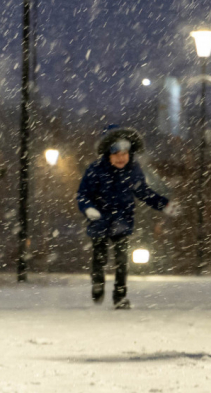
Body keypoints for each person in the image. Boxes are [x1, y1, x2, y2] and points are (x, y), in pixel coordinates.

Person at [77, 125, 179, 309]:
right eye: (116, 154)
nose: (121, 158)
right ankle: (98, 282)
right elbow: (83, 194)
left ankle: (120, 296)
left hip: (122, 220)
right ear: (107, 154)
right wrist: (88, 208)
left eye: (125, 153)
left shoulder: (133, 170)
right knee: (99, 257)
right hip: (99, 220)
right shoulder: (95, 170)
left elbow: (144, 192)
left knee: (121, 260)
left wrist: (163, 204)